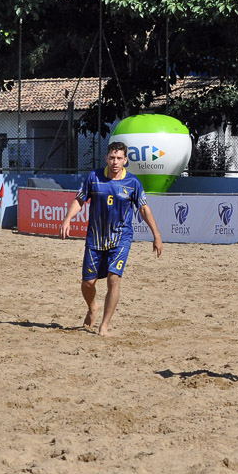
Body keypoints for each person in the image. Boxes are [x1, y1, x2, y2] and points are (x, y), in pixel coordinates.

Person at [59, 141, 162, 337]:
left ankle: (104, 325)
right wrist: (67, 220)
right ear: (107, 158)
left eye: (119, 158)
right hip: (95, 239)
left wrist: (156, 235)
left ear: (125, 160)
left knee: (114, 279)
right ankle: (92, 308)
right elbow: (79, 200)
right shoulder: (94, 177)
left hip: (121, 238)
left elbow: (144, 208)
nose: (115, 162)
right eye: (112, 158)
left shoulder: (133, 183)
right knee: (88, 283)